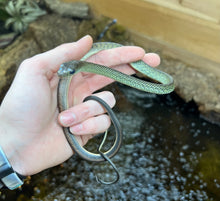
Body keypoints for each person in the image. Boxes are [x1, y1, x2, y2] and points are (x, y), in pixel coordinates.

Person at [0, 35, 160, 179]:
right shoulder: (72, 67)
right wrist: (13, 148)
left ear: (75, 68)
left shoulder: (82, 64)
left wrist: (13, 152)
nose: (62, 74)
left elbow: (167, 85)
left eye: (68, 72)